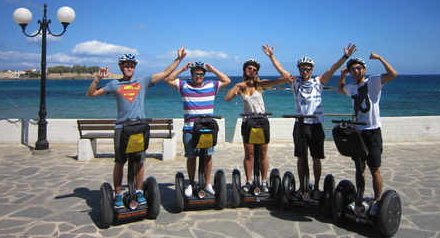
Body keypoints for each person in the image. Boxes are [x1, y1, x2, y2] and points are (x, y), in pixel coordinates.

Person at [86, 45, 187, 208]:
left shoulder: (143, 80)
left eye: (132, 65)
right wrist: (97, 79)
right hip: (121, 128)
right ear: (121, 67)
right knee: (120, 161)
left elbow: (165, 73)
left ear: (135, 67)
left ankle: (138, 191)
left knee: (140, 161)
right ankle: (118, 193)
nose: (129, 67)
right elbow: (91, 94)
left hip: (139, 128)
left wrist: (179, 59)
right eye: (126, 65)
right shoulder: (113, 84)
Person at [263, 42, 357, 199]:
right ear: (299, 70)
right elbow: (281, 71)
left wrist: (346, 56)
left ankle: (317, 187)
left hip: (315, 126)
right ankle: (302, 187)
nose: (304, 71)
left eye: (307, 69)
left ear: (311, 70)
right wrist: (272, 56)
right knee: (301, 157)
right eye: (302, 69)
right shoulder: (295, 83)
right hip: (300, 125)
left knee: (316, 157)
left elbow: (332, 69)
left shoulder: (318, 82)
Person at [337, 53, 397, 215]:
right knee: (359, 168)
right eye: (352, 70)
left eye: (358, 68)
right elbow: (340, 90)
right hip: (358, 132)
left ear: (364, 69)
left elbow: (393, 74)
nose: (355, 71)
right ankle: (360, 198)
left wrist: (380, 58)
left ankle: (377, 201)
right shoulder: (351, 87)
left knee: (374, 168)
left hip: (373, 132)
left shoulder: (374, 81)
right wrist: (342, 75)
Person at [224, 57, 289, 193]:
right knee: (250, 154)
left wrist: (271, 56)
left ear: (256, 72)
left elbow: (284, 79)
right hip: (248, 122)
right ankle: (249, 181)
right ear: (245, 69)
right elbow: (227, 98)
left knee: (263, 154)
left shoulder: (260, 84)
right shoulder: (241, 87)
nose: (252, 71)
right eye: (249, 68)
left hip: (262, 121)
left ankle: (264, 181)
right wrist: (237, 86)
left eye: (254, 70)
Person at [165, 61, 231, 197]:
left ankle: (207, 184)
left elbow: (227, 80)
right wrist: (182, 68)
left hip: (207, 128)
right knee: (191, 157)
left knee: (208, 156)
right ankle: (191, 184)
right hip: (190, 129)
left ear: (204, 75)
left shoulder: (212, 85)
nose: (198, 76)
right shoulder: (184, 85)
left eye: (201, 74)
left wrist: (213, 69)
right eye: (195, 74)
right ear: (192, 74)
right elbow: (168, 79)